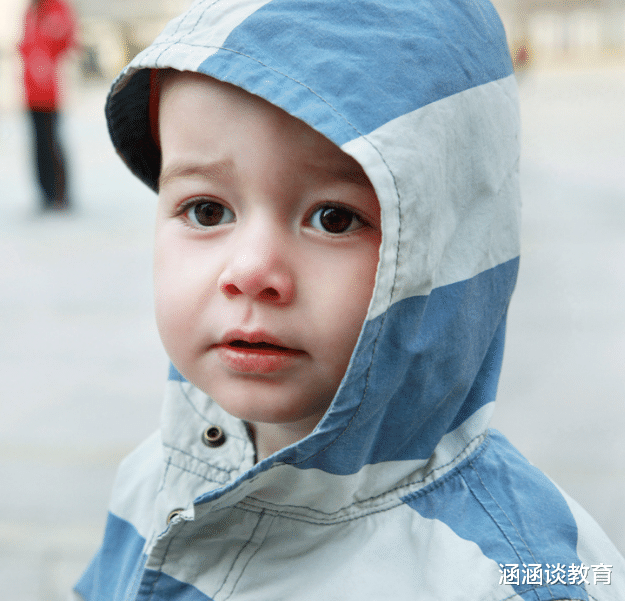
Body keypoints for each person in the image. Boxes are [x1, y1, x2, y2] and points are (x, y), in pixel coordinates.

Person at [74, 0, 625, 599]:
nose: (251, 272)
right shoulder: (154, 478)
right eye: (207, 210)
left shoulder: (516, 576)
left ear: (449, 251)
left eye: (334, 218)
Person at [18, 0, 75, 211]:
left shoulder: (57, 8)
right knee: (38, 144)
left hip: (50, 90)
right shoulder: (31, 10)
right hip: (31, 90)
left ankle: (60, 194)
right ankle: (44, 193)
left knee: (52, 141)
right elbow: (25, 44)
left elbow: (67, 40)